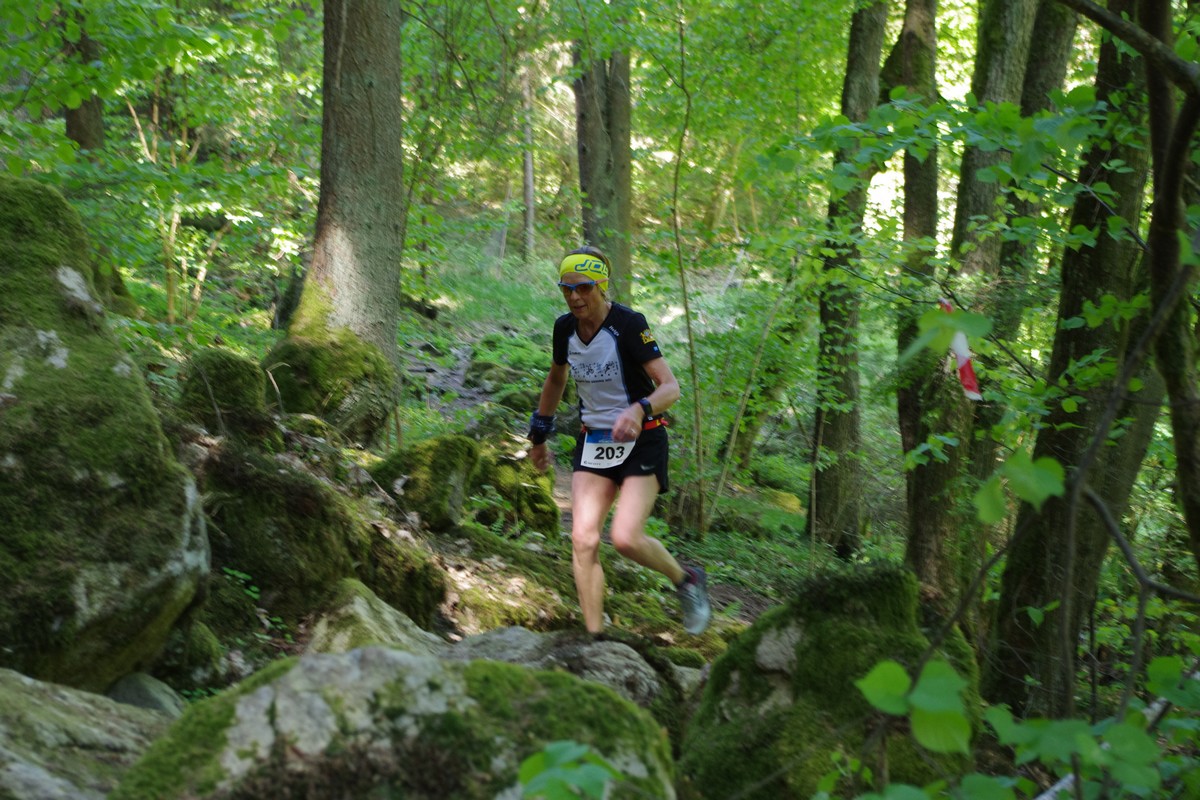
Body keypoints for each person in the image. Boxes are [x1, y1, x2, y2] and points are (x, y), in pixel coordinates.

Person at [526, 246, 711, 635]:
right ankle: (594, 637)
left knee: (625, 538)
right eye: (567, 289)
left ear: (601, 286)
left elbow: (670, 387)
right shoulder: (564, 329)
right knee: (582, 538)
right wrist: (539, 434)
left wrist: (639, 410)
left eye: (584, 288)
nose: (575, 297)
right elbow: (556, 379)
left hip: (643, 438)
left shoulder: (628, 324)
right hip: (595, 441)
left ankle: (687, 580)